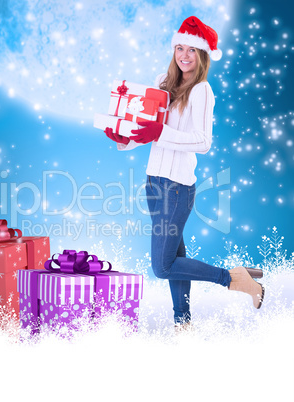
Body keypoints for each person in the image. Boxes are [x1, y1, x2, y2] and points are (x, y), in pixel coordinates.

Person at [104, 16, 265, 330]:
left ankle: (234, 279)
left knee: (162, 267)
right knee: (174, 255)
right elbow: (148, 130)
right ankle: (183, 323)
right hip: (154, 184)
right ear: (174, 50)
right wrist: (125, 139)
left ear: (202, 55)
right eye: (180, 48)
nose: (185, 56)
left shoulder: (202, 90)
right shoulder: (161, 82)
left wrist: (158, 133)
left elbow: (203, 143)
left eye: (192, 50)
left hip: (178, 188)